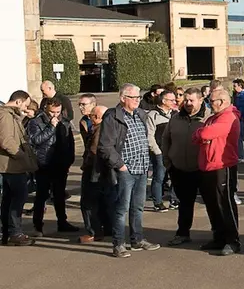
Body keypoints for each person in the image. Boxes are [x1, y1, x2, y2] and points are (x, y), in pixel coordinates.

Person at [97, 84, 161, 258]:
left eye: (139, 97)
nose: (137, 100)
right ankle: (118, 244)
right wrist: (120, 165)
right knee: (121, 208)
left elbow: (144, 139)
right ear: (123, 98)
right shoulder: (112, 117)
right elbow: (105, 146)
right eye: (133, 97)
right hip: (125, 169)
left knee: (138, 207)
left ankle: (137, 239)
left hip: (141, 168)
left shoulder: (140, 114)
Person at [193, 87, 242, 256]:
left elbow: (205, 133)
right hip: (207, 166)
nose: (209, 104)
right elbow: (200, 135)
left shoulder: (228, 117)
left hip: (223, 166)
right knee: (212, 205)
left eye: (211, 101)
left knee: (224, 204)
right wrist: (202, 135)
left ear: (222, 102)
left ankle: (232, 240)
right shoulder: (213, 118)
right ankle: (219, 237)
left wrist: (202, 134)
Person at [162, 89, 208, 247]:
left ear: (200, 100)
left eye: (191, 100)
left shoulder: (208, 118)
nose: (187, 103)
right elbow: (166, 139)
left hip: (203, 170)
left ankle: (219, 235)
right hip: (179, 169)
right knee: (185, 204)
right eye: (186, 100)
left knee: (212, 203)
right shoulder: (175, 118)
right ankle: (182, 233)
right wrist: (168, 162)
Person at [26, 98, 78, 235]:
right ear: (45, 110)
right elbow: (35, 140)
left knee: (59, 194)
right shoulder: (35, 122)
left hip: (60, 164)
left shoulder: (65, 122)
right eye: (52, 112)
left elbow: (70, 142)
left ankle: (62, 222)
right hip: (44, 164)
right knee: (42, 195)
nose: (55, 115)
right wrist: (51, 127)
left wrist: (69, 160)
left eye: (58, 112)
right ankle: (37, 225)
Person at [0, 90, 39, 246]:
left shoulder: (9, 115)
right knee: (17, 199)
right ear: (18, 101)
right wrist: (21, 155)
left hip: (11, 165)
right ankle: (14, 232)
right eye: (25, 105)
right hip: (12, 166)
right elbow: (6, 140)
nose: (25, 108)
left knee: (9, 200)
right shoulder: (5, 115)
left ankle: (8, 232)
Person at [79, 105, 113, 242]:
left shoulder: (99, 131)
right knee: (104, 201)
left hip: (94, 171)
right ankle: (108, 228)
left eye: (92, 115)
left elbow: (93, 152)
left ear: (98, 117)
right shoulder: (110, 129)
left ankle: (94, 231)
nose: (90, 118)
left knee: (88, 203)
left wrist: (85, 165)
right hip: (105, 171)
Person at [145, 90, 175, 213]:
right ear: (163, 101)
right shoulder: (152, 115)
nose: (175, 102)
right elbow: (149, 135)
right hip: (159, 152)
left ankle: (175, 200)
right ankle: (157, 202)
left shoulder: (176, 114)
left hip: (174, 151)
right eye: (171, 100)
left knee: (175, 176)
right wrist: (157, 151)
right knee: (159, 176)